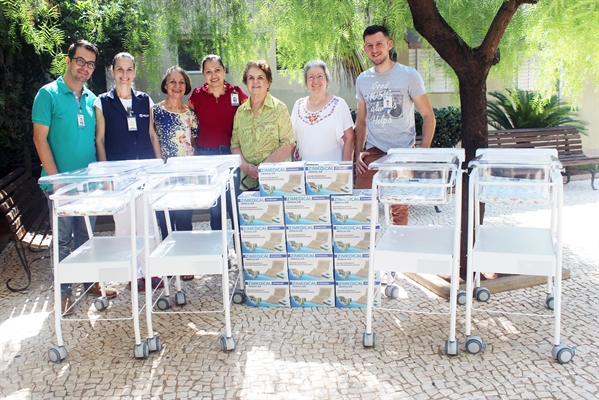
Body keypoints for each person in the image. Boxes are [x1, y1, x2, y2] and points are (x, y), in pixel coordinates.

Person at [32, 39, 117, 316]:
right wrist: (57, 181)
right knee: (64, 239)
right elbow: (39, 139)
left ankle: (90, 281)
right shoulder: (48, 94)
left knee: (86, 235)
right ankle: (64, 292)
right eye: (80, 61)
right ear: (68, 61)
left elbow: (97, 141)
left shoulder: (93, 100)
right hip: (61, 185)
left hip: (89, 184)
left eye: (90, 63)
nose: (85, 67)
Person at [354, 25, 436, 226]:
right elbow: (362, 121)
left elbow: (428, 116)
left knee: (398, 209)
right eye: (369, 45)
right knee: (359, 204)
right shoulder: (363, 80)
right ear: (365, 49)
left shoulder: (409, 75)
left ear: (389, 45)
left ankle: (399, 248)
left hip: (402, 153)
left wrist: (422, 153)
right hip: (374, 151)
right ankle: (364, 251)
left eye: (379, 44)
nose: (375, 49)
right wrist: (358, 153)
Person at [94, 52, 162, 291]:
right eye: (120, 69)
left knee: (148, 225)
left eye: (129, 69)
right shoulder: (102, 102)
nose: (125, 74)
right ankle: (132, 275)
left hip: (144, 171)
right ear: (113, 72)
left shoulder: (145, 100)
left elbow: (152, 135)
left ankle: (151, 272)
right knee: (124, 225)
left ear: (134, 72)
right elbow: (100, 140)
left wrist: (159, 167)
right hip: (119, 174)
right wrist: (105, 176)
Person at [188, 55, 247, 231]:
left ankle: (239, 251)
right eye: (208, 71)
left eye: (217, 70)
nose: (213, 75)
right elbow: (189, 122)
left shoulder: (236, 93)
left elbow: (252, 112)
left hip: (231, 154)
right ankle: (220, 253)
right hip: (207, 156)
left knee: (234, 205)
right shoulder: (196, 97)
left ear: (224, 70)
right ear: (203, 74)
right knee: (215, 208)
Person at [153, 66, 198, 259]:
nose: (177, 86)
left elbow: (193, 143)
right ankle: (169, 260)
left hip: (186, 176)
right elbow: (151, 139)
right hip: (163, 175)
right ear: (165, 85)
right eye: (172, 81)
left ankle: (186, 259)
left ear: (186, 86)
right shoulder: (155, 111)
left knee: (185, 219)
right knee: (165, 220)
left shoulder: (191, 114)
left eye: (181, 82)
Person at [231, 60, 295, 191]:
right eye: (251, 78)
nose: (255, 82)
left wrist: (263, 168)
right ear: (246, 82)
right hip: (247, 183)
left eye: (260, 77)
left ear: (268, 82)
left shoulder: (279, 108)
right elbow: (235, 145)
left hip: (277, 183)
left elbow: (288, 143)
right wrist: (246, 167)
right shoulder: (240, 112)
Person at [291, 59, 354, 162]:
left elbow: (349, 138)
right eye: (311, 77)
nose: (316, 81)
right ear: (306, 82)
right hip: (303, 172)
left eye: (320, 76)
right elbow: (292, 141)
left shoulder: (338, 104)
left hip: (331, 172)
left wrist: (345, 170)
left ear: (327, 80)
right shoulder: (298, 105)